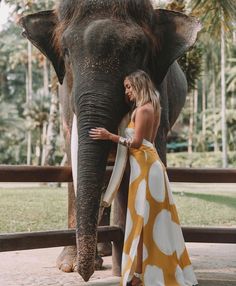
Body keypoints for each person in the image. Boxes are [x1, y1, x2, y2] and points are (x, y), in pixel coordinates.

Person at [89, 70, 198, 286]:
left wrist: (109, 136)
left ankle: (145, 274)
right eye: (126, 88)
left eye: (129, 87)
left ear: (139, 85)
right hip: (145, 168)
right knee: (143, 221)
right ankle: (140, 273)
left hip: (148, 169)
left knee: (145, 221)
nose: (127, 91)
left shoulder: (143, 110)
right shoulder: (151, 107)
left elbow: (138, 143)